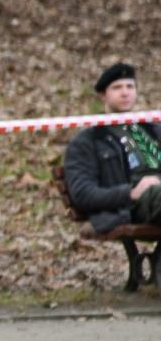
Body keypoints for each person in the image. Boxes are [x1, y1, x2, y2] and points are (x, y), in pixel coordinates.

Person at [63, 61, 161, 230]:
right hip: (130, 207)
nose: (125, 93)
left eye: (130, 87)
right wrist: (130, 192)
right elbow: (82, 193)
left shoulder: (153, 129)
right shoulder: (89, 140)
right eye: (117, 88)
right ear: (103, 95)